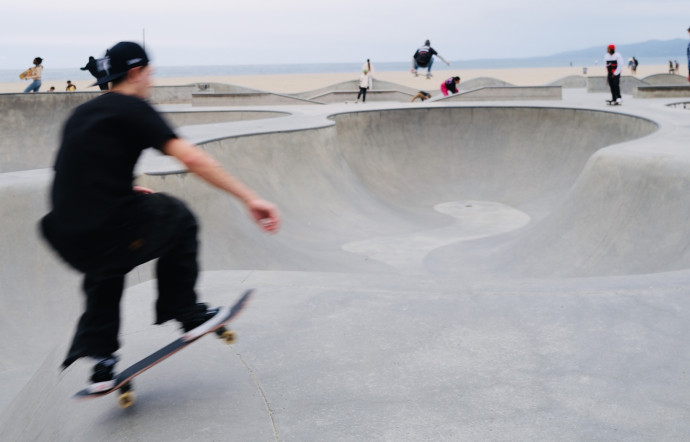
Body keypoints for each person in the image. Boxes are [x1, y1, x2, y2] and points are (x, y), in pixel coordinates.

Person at [39, 41, 281, 392]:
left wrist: (118, 192)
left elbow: (72, 170)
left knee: (107, 266)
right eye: (149, 73)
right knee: (178, 216)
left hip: (67, 236)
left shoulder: (82, 115)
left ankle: (101, 360)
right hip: (106, 228)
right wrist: (251, 198)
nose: (151, 81)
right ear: (135, 72)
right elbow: (192, 159)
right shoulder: (133, 107)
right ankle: (188, 312)